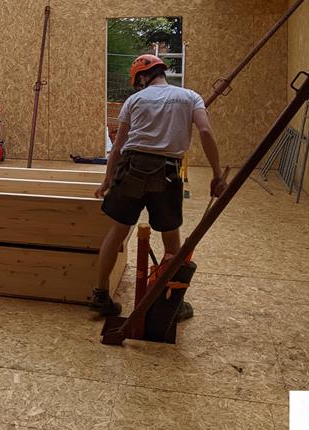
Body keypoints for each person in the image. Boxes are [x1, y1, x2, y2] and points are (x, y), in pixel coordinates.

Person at [91, 54, 226, 317]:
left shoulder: (134, 100)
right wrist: (217, 174)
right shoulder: (190, 97)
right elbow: (206, 132)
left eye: (137, 81)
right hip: (167, 172)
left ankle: (100, 295)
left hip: (131, 168)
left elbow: (118, 147)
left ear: (142, 77)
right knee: (171, 239)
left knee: (118, 232)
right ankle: (170, 302)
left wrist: (107, 179)